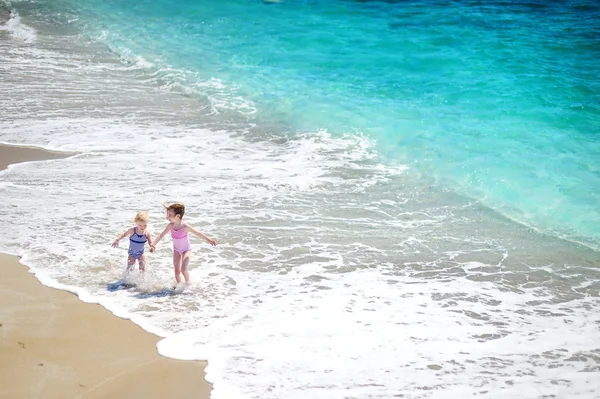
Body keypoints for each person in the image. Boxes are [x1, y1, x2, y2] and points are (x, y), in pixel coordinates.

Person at [150, 203, 216, 287]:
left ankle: (188, 284)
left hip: (186, 250)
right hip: (176, 250)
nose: (167, 217)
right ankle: (178, 287)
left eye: (169, 215)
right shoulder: (170, 226)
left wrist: (208, 239)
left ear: (177, 216)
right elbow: (161, 235)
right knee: (177, 271)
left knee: (183, 269)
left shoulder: (185, 227)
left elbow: (197, 233)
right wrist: (154, 244)